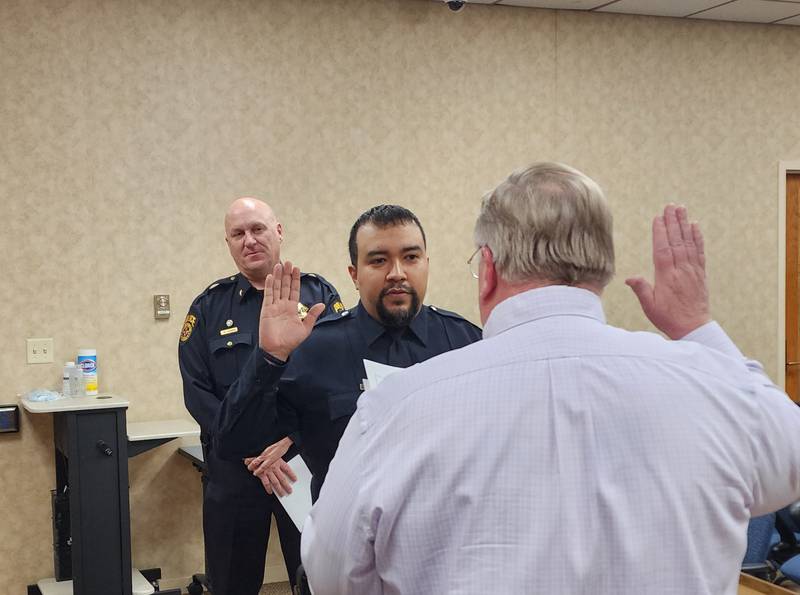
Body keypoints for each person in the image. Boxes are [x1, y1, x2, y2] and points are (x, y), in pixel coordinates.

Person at [301, 163, 800, 595]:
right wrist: (699, 330)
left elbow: (332, 576)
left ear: (489, 270)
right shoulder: (710, 382)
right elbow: (790, 459)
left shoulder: (394, 409)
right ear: (601, 266)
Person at [213, 205, 482, 501]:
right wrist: (270, 358)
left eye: (410, 257)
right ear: (354, 275)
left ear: (426, 264)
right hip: (350, 538)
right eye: (378, 260)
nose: (397, 273)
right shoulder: (313, 350)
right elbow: (234, 442)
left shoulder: (466, 344)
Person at [178, 197, 342, 595]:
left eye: (258, 229)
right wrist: (252, 449)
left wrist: (288, 442)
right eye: (238, 233)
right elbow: (197, 393)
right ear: (229, 243)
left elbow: (337, 380)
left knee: (317, 579)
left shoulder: (318, 296)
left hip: (300, 466)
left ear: (279, 232)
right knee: (232, 583)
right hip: (236, 470)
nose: (249, 240)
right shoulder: (208, 308)